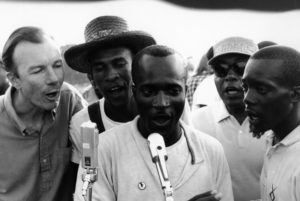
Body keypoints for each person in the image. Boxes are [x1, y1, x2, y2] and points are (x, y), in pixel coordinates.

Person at [74, 45, 234, 201]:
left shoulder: (211, 150)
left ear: (185, 92)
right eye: (149, 92)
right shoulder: (103, 151)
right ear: (134, 93)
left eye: (173, 91)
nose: (162, 103)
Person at [0, 26, 86, 201]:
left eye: (57, 65)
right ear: (14, 79)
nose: (54, 78)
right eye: (38, 70)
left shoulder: (70, 100)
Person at [64, 15, 156, 165]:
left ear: (137, 66)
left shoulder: (165, 108)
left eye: (119, 64)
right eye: (100, 68)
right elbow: (84, 183)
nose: (111, 75)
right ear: (91, 78)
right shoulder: (83, 124)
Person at [191, 37, 266, 201]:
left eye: (241, 69)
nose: (230, 77)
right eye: (221, 70)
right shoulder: (195, 124)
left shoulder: (274, 123)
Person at [242, 45, 300, 201]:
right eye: (245, 87)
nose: (247, 98)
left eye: (261, 89)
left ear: (294, 94)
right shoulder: (272, 139)